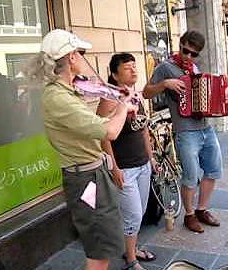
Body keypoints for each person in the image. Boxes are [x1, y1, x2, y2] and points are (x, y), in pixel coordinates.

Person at [39, 29, 138, 270]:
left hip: (93, 173)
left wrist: (118, 108)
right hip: (85, 179)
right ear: (72, 57)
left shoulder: (67, 91)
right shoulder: (57, 97)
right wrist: (123, 106)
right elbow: (110, 132)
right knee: (99, 250)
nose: (84, 59)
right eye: (81, 54)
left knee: (102, 245)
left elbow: (98, 126)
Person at [143, 30, 222, 233]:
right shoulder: (165, 67)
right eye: (186, 51)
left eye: (194, 54)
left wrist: (223, 95)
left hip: (206, 128)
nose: (188, 56)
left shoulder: (195, 69)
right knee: (190, 176)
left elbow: (209, 95)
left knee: (213, 170)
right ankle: (189, 215)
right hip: (185, 132)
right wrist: (165, 84)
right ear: (180, 45)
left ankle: (201, 209)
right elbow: (146, 92)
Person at [97, 53, 156, 270]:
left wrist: (151, 159)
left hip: (142, 165)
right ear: (114, 74)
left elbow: (143, 129)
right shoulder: (109, 99)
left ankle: (133, 248)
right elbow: (103, 135)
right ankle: (131, 261)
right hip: (125, 168)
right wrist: (115, 168)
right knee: (132, 215)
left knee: (138, 213)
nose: (133, 70)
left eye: (134, 66)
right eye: (127, 67)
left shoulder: (135, 95)